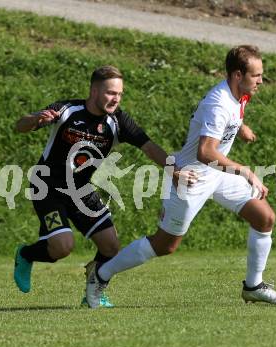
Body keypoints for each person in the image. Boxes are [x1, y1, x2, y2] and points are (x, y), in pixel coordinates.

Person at [86, 45, 276, 308]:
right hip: (189, 177)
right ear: (237, 75)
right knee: (164, 245)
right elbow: (205, 151)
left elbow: (229, 117)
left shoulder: (239, 93)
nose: (261, 81)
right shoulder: (217, 104)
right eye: (256, 75)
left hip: (217, 174)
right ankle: (100, 274)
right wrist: (245, 171)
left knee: (265, 217)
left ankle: (253, 286)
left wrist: (240, 127)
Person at [13, 65, 196, 307]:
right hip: (46, 185)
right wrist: (37, 118)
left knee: (111, 247)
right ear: (94, 90)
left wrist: (175, 171)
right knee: (62, 247)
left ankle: (93, 292)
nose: (116, 98)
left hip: (80, 188)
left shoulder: (118, 121)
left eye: (119, 94)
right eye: (111, 93)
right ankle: (26, 255)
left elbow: (149, 147)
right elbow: (20, 126)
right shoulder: (67, 110)